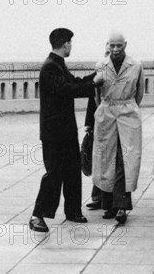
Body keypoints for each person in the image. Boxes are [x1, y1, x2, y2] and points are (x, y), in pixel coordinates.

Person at [30, 28, 103, 233]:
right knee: (54, 174)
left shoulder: (58, 65)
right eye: (70, 42)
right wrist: (93, 84)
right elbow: (66, 90)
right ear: (65, 44)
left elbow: (73, 83)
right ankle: (37, 216)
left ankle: (72, 211)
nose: (71, 45)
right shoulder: (50, 67)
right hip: (54, 134)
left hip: (66, 131)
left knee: (72, 171)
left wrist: (94, 77)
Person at [92, 32, 145, 225]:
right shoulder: (100, 66)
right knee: (107, 157)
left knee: (126, 158)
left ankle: (122, 205)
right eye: (112, 46)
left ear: (125, 45)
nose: (115, 50)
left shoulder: (136, 66)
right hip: (107, 112)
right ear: (108, 45)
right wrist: (105, 108)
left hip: (127, 113)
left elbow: (139, 93)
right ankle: (108, 204)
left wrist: (128, 107)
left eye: (119, 46)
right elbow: (97, 95)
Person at [84, 42, 111, 211]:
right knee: (97, 159)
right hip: (98, 121)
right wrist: (88, 124)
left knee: (111, 160)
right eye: (107, 51)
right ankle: (97, 196)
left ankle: (109, 198)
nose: (109, 55)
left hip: (113, 121)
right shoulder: (98, 72)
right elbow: (90, 101)